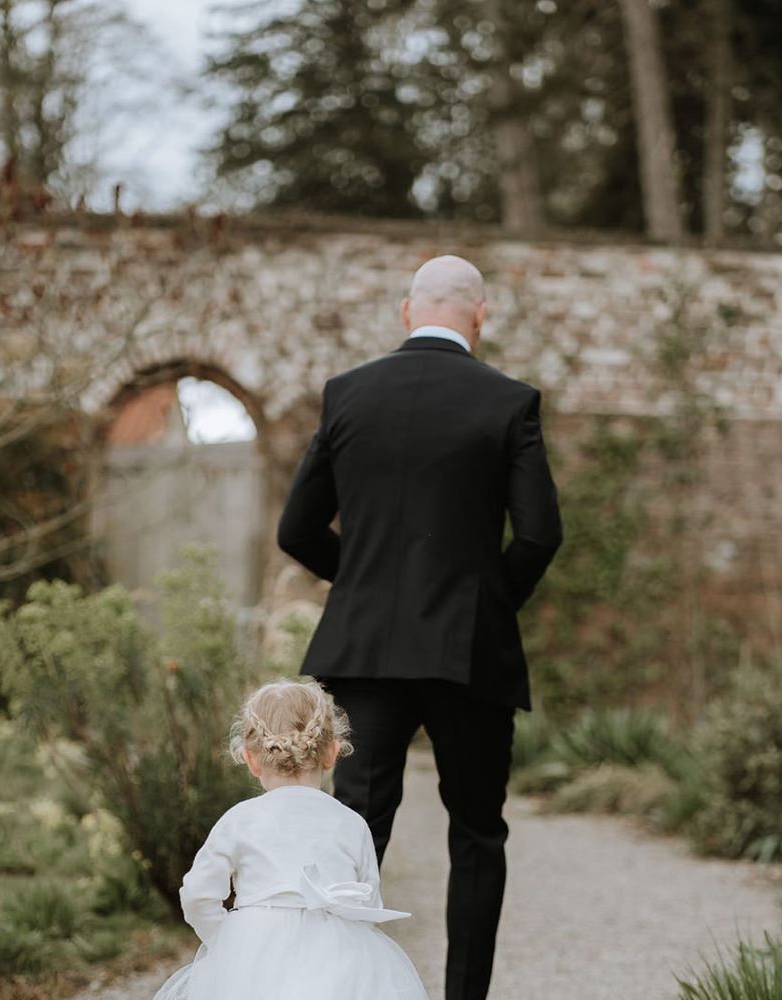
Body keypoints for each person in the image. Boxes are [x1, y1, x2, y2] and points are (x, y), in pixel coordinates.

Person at [276, 254, 563, 1000]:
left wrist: (367, 584)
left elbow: (297, 528)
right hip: (468, 653)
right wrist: (481, 605)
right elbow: (538, 536)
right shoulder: (509, 402)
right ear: (482, 313)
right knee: (476, 833)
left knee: (355, 830)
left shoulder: (349, 394)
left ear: (408, 311)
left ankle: (334, 989)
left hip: (365, 650)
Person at [151, 678, 429, 1000]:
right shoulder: (351, 823)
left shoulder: (239, 820)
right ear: (332, 754)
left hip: (253, 953)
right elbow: (368, 902)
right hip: (337, 960)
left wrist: (225, 938)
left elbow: (198, 894)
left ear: (251, 760)